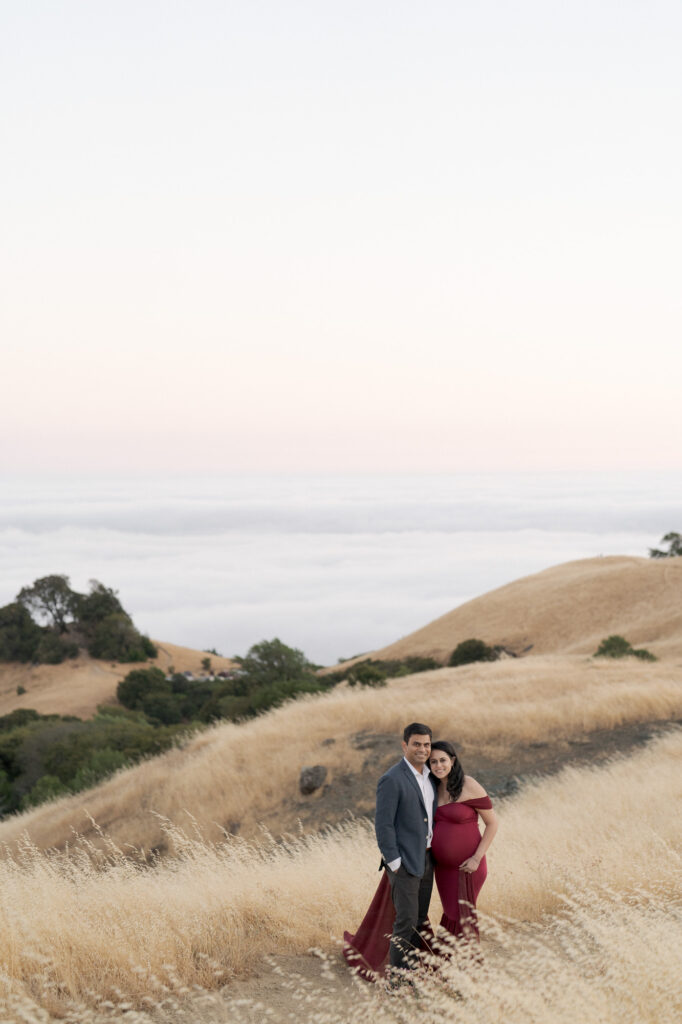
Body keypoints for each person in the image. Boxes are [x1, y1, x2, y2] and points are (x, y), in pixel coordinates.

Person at [344, 722, 438, 981]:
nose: (422, 749)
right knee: (405, 921)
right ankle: (397, 980)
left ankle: (413, 972)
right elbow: (383, 825)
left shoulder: (431, 776)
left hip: (429, 858)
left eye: (427, 744)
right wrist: (395, 862)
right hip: (405, 861)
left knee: (419, 919)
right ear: (404, 745)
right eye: (417, 744)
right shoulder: (391, 778)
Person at [429, 740, 498, 940]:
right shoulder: (432, 788)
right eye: (433, 762)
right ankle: (448, 963)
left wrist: (477, 858)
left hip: (469, 865)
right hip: (442, 868)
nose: (438, 766)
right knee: (452, 914)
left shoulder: (469, 785)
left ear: (452, 760)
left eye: (443, 760)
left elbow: (492, 823)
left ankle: (464, 963)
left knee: (460, 915)